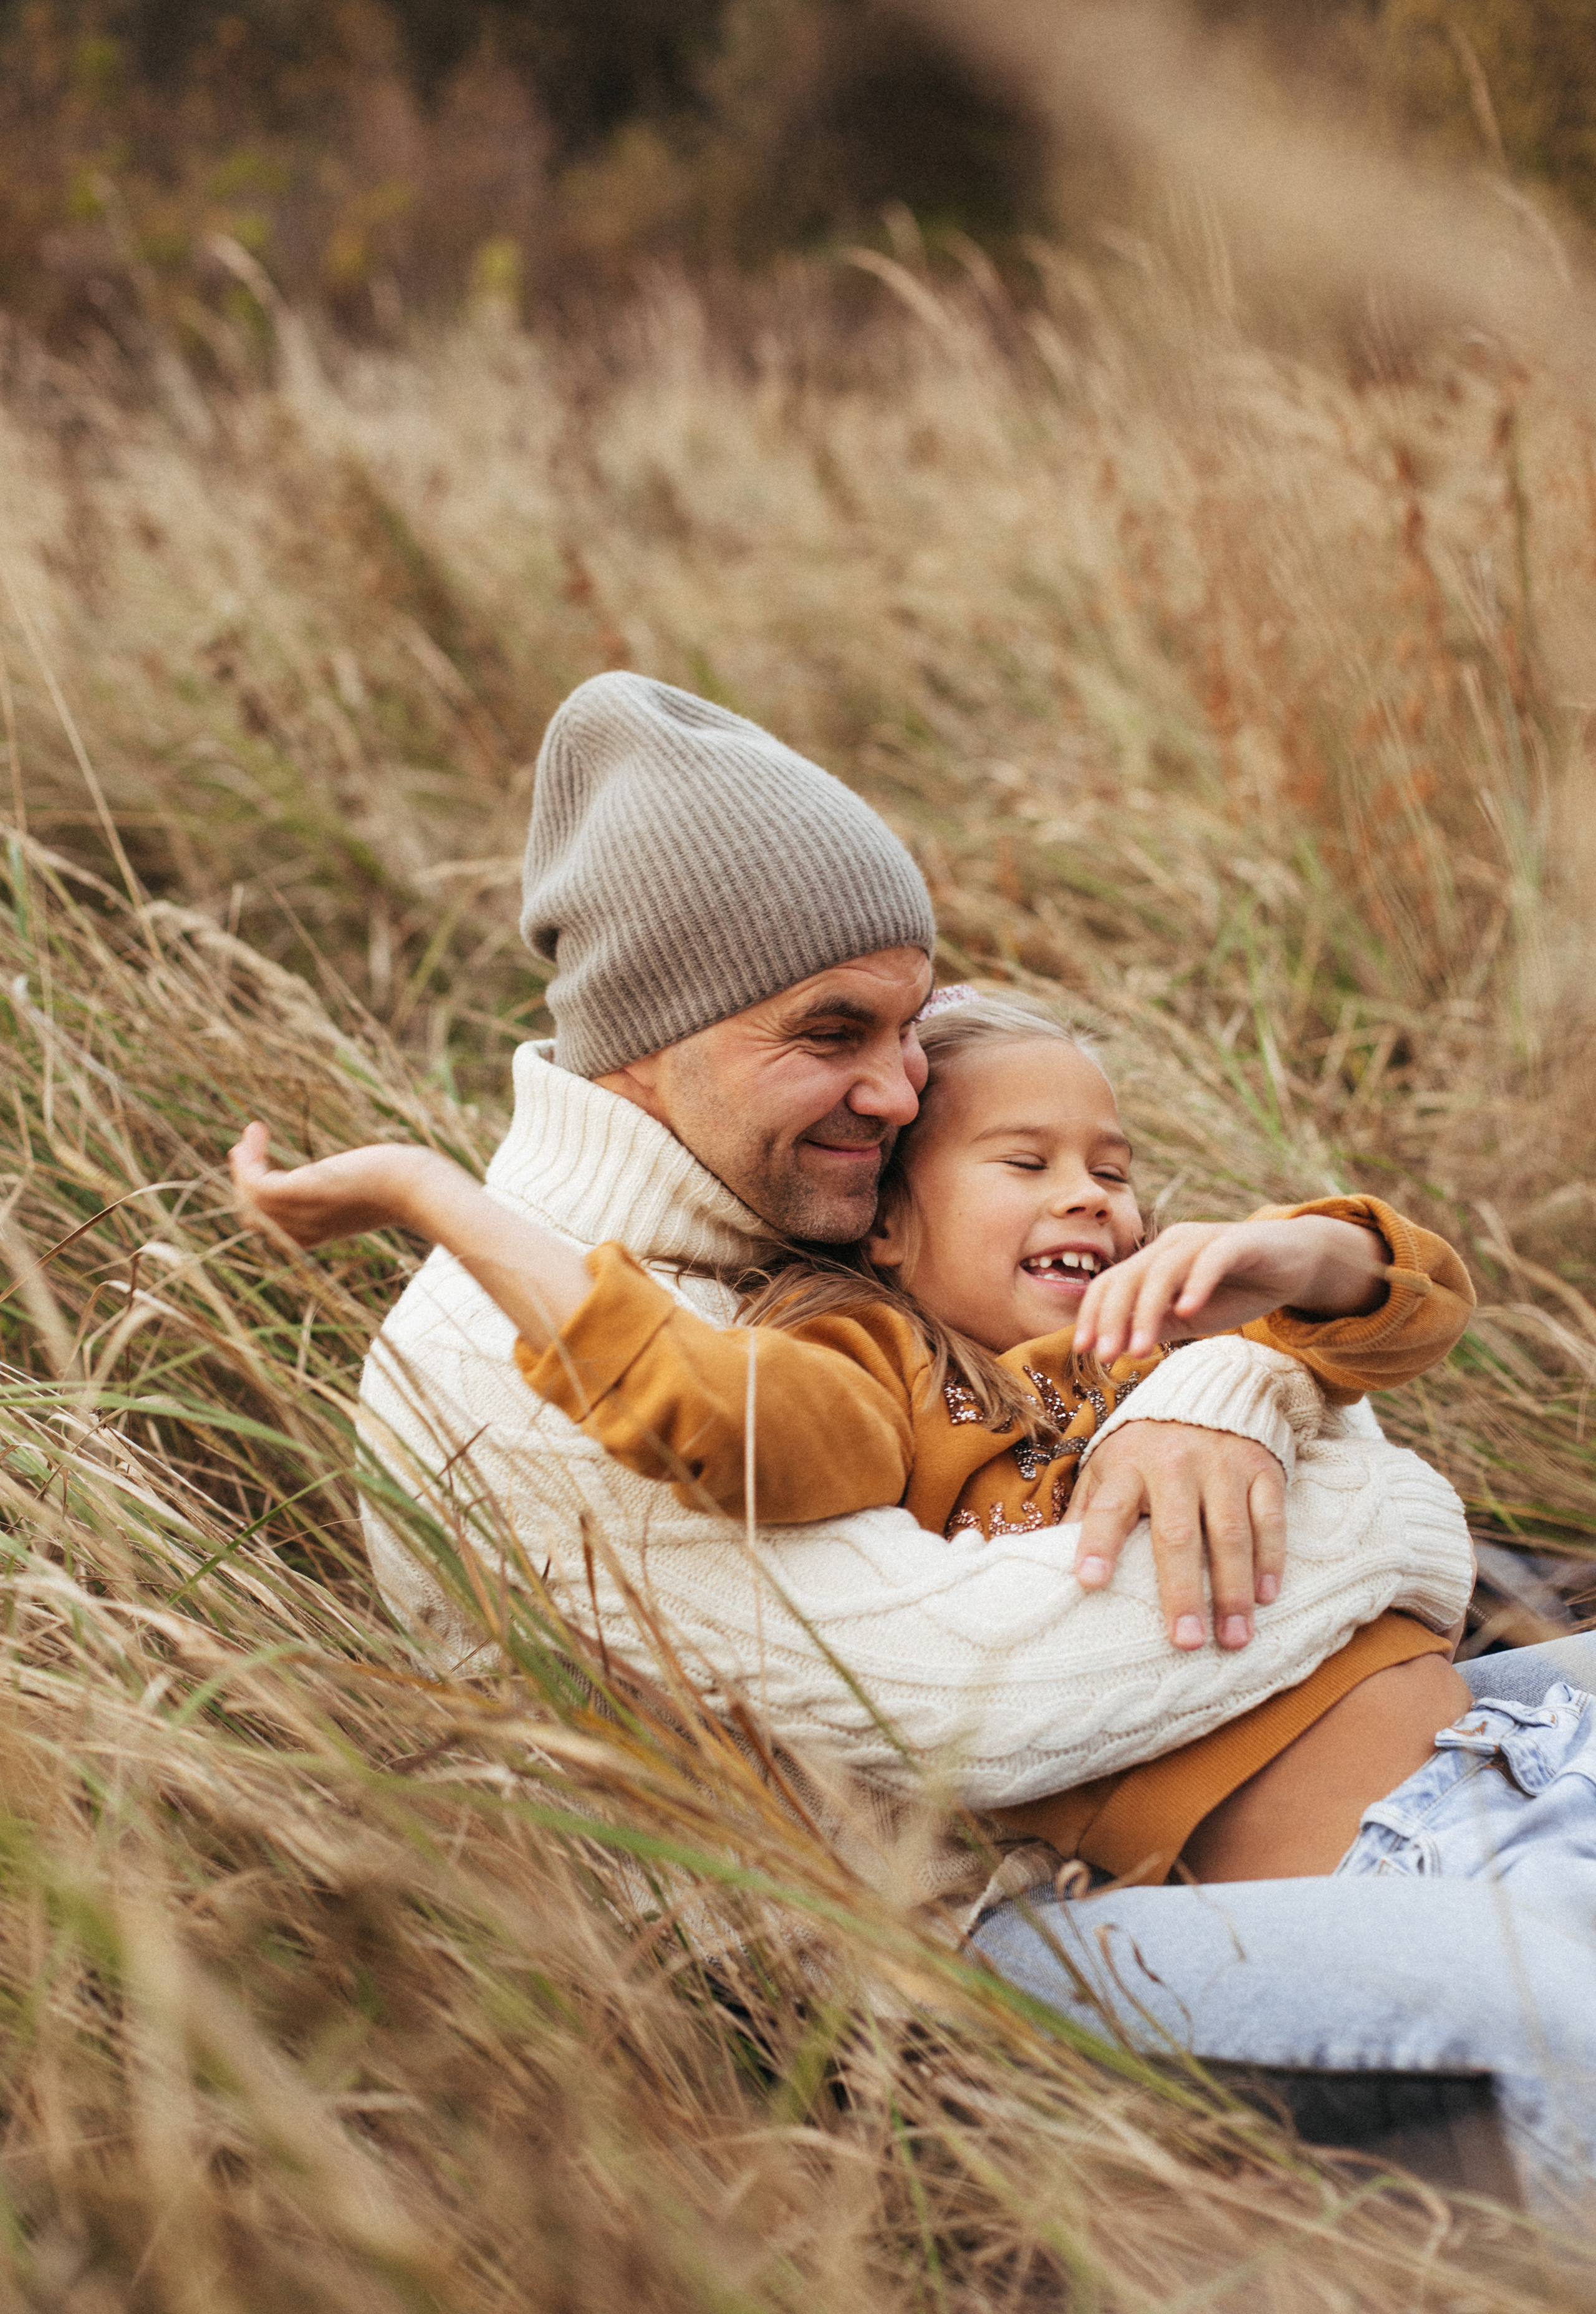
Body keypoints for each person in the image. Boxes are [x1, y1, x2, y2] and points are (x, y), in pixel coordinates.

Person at [329, 671, 1596, 2197]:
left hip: (1317, 1755)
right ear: (654, 1038)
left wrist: (1231, 1385)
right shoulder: (505, 1352)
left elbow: (1293, 1322)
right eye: (831, 1033)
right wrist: (1393, 1527)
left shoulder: (815, 1208)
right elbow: (969, 1702)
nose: (894, 1086)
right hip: (960, 1945)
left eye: (906, 1031)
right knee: (1558, 2013)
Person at [233, 988, 1477, 1889]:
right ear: (884, 1228)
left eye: (1112, 1167)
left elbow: (1410, 1310)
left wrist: (1296, 1254)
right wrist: (438, 1201)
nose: (1089, 1194)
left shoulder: (1167, 1338)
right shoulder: (879, 1384)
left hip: (1507, 1757)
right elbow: (707, 1410)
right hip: (1391, 1864)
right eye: (1024, 1162)